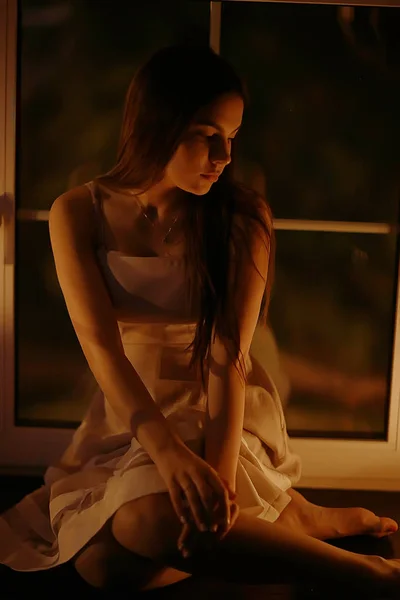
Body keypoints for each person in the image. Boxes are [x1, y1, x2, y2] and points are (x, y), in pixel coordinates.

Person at [1, 43, 400, 596]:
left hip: (216, 402)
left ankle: (368, 576)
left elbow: (229, 353)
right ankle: (294, 523)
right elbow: (101, 348)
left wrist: (218, 480)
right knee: (103, 570)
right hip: (130, 410)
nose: (224, 155)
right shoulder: (78, 212)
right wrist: (164, 453)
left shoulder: (242, 217)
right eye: (208, 135)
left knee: (147, 526)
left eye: (232, 138)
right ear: (157, 126)